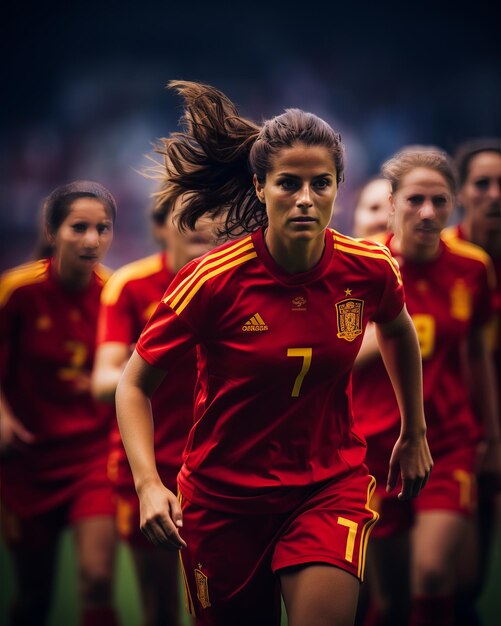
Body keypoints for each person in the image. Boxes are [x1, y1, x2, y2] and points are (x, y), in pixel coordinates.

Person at [115, 80, 433, 626]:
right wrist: (148, 483)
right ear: (260, 186)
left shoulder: (370, 268)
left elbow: (398, 331)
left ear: (339, 187)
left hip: (328, 485)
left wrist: (414, 431)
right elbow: (133, 384)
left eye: (321, 183)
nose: (306, 198)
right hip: (223, 502)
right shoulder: (212, 280)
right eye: (289, 184)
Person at [351, 147, 500, 626]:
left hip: (449, 443)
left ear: (454, 203)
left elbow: (476, 354)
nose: (428, 212)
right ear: (391, 203)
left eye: (439, 200)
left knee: (434, 575)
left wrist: (492, 437)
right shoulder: (363, 266)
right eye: (415, 200)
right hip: (377, 450)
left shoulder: (472, 268)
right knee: (388, 602)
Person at [92, 192, 219, 626]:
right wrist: (144, 361)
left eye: (212, 214)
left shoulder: (232, 282)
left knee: (221, 604)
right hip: (148, 467)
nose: (204, 226)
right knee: (160, 606)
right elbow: (104, 381)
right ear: (161, 227)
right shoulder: (130, 286)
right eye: (191, 217)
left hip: (219, 466)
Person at [0, 181, 120, 626]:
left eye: (102, 229)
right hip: (26, 462)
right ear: (52, 232)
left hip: (91, 457)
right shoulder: (17, 291)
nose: (92, 240)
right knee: (33, 598)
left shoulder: (114, 292)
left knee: (98, 579)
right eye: (79, 228)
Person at [442, 138, 501, 623]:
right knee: (457, 578)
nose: (494, 194)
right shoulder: (442, 260)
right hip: (455, 432)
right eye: (483, 183)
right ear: (462, 193)